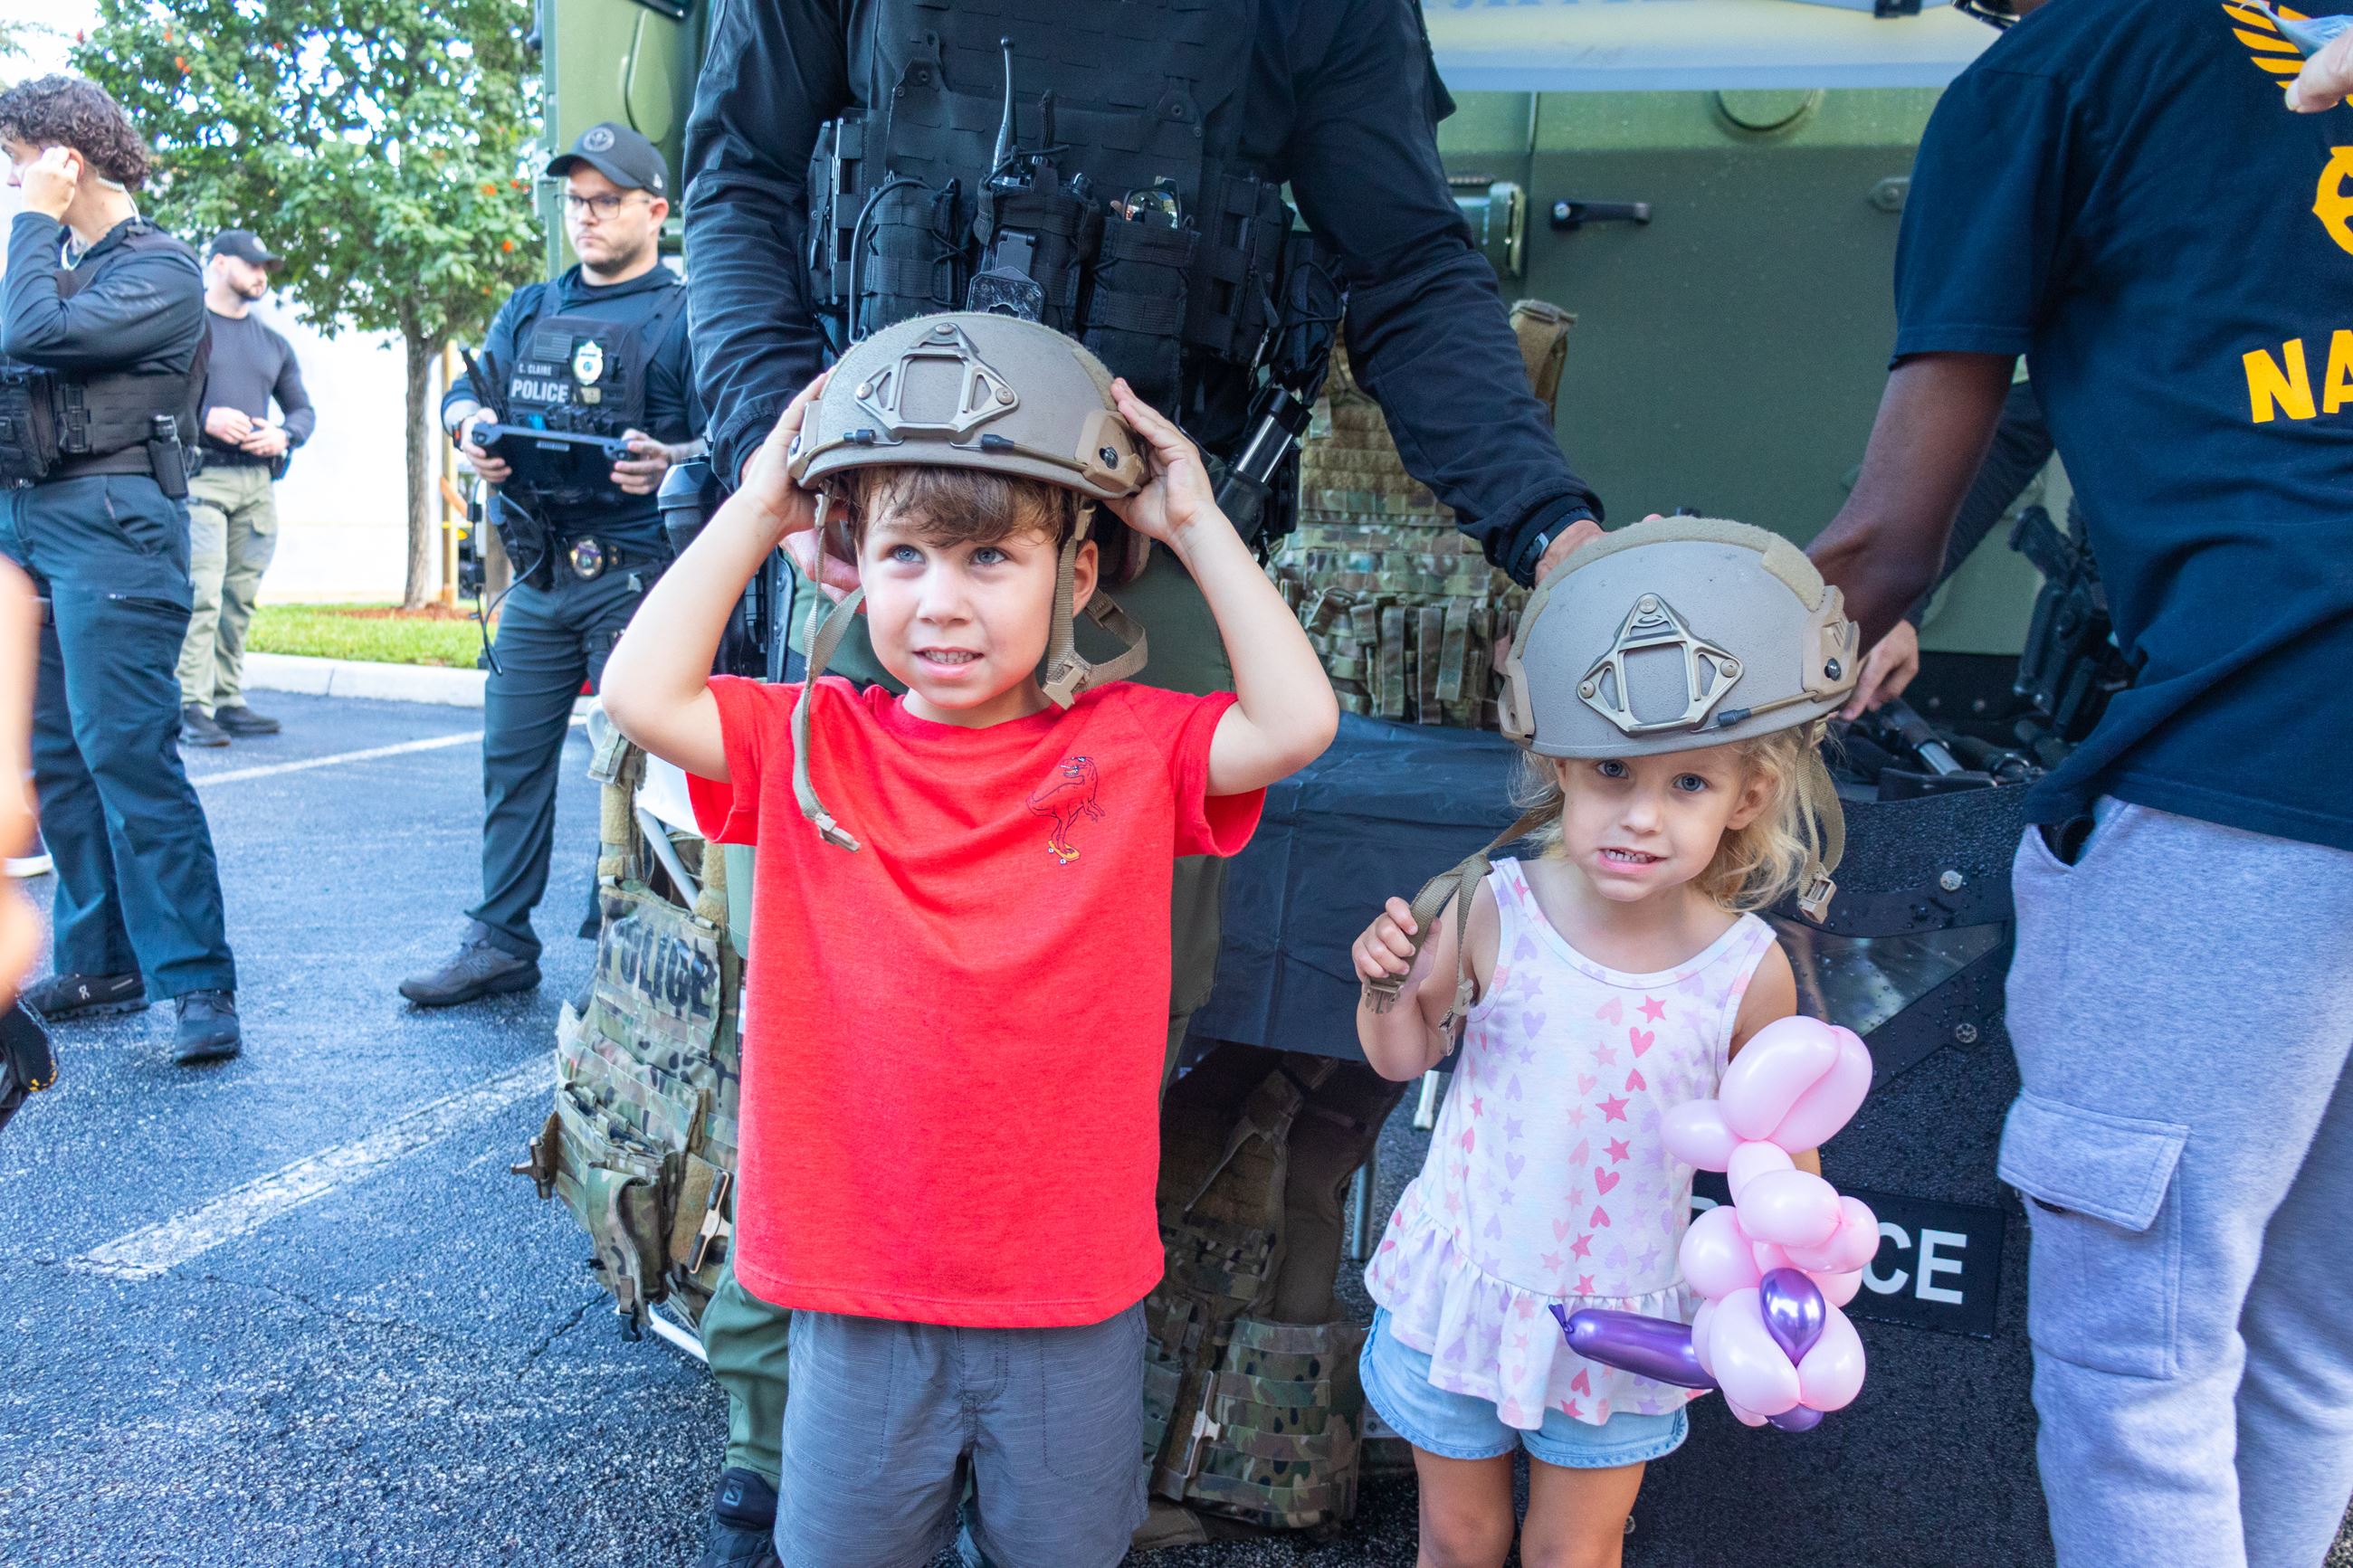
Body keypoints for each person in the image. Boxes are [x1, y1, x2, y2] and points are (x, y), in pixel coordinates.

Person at [679, 6, 1606, 1551]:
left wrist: (1548, 528)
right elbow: (739, 181)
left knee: (1109, 1006)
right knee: (818, 990)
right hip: (872, 535)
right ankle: (786, 1451)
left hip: (1141, 557)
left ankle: (1066, 1444)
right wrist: (788, 468)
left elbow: (1406, 257)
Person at [597, 312, 1338, 1568]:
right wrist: (760, 504)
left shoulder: (1134, 746)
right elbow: (640, 693)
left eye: (992, 558)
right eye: (905, 557)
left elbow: (1295, 719)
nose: (942, 602)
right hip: (857, 1288)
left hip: (1066, 1294)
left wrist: (1200, 526)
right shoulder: (812, 740)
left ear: (1081, 577)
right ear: (852, 567)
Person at [1805, 0, 2353, 1560]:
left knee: (2141, 1363)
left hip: (2266, 744)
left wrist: (1676, 702)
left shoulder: (2049, 76)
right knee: (2310, 1351)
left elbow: (1884, 540)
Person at [1350, 517, 1853, 1568]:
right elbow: (1401, 1056)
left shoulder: (1746, 967)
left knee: (1574, 1550)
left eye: (1686, 784)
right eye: (1613, 772)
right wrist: (1385, 987)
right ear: (1558, 765)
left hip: (1619, 1322)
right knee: (1456, 1530)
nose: (1639, 816)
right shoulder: (1495, 907)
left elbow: (1780, 1161)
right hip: (1470, 1285)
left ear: (1745, 796)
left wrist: (1788, 1289)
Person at [399, 122, 701, 1007]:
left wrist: (674, 459)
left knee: (637, 771)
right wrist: (471, 433)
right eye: (575, 200)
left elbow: (732, 433)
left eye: (605, 200)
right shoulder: (530, 308)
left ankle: (632, 948)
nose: (585, 216)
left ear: (655, 209)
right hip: (538, 578)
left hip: (635, 576)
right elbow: (469, 388)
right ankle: (498, 939)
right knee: (511, 760)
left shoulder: (686, 314)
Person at [0, 75, 242, 1065]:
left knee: (128, 753)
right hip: (30, 523)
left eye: (20, 161)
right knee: (57, 756)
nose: (11, 182)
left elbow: (33, 335)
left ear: (68, 158)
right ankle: (101, 960)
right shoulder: (46, 261)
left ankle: (198, 980)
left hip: (114, 526)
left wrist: (29, 216)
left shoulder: (164, 270)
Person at [175, 227, 313, 749]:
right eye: (252, 265)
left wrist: (285, 434)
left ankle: (227, 699)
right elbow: (161, 397)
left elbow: (302, 410)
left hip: (257, 487)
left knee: (239, 598)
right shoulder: (187, 331)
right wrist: (205, 417)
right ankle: (191, 705)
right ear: (218, 264)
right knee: (202, 595)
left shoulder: (272, 343)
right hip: (201, 481)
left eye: (265, 269)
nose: (261, 276)